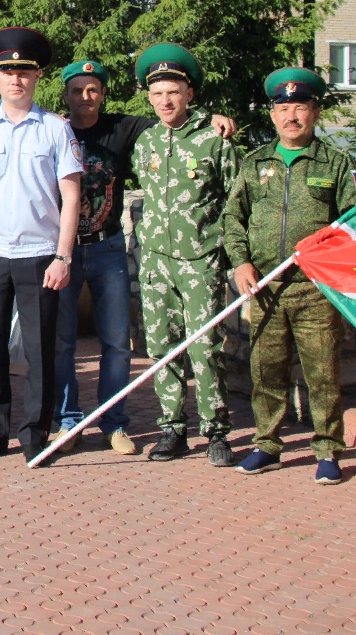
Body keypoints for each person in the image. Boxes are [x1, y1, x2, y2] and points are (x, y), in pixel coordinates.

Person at [52, 61, 237, 456]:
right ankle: (71, 423)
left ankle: (122, 424)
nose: (86, 97)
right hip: (66, 251)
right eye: (77, 90)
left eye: (93, 90)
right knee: (67, 344)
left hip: (112, 249)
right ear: (65, 94)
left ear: (103, 93)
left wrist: (214, 116)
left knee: (122, 344)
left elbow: (183, 126)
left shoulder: (133, 130)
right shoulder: (53, 129)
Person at [222, 69, 356, 484]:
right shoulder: (255, 163)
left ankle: (327, 450)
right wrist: (241, 262)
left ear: (315, 112)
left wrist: (332, 262)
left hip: (314, 288)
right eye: (283, 108)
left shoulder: (336, 164)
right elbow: (234, 217)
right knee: (266, 371)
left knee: (323, 372)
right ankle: (267, 444)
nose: (292, 116)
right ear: (272, 115)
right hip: (265, 288)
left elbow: (353, 222)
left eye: (300, 107)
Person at [0, 28, 83, 465]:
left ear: (38, 76)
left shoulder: (55, 131)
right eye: (7, 70)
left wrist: (64, 256)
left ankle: (35, 433)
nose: (15, 79)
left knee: (38, 350)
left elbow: (71, 197)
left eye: (24, 71)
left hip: (40, 255)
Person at [132, 43, 241, 466]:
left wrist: (231, 256)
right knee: (161, 347)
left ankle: (216, 431)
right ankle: (172, 429)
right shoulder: (146, 143)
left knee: (207, 347)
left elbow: (235, 201)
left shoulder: (215, 140)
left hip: (201, 260)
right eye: (157, 94)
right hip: (156, 260)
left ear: (190, 94)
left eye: (173, 92)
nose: (165, 101)